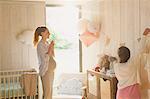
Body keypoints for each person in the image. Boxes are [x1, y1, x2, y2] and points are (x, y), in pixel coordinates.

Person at [114, 28, 150, 99]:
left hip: (121, 93)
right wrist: (144, 35)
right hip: (132, 92)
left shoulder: (116, 66)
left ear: (119, 56)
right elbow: (140, 49)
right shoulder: (132, 63)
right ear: (129, 54)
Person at [33, 26, 56, 99]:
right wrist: (50, 47)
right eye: (47, 32)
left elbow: (52, 55)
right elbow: (44, 58)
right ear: (42, 33)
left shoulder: (46, 43)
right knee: (47, 92)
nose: (49, 33)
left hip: (51, 70)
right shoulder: (40, 45)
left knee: (50, 91)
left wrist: (52, 47)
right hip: (46, 70)